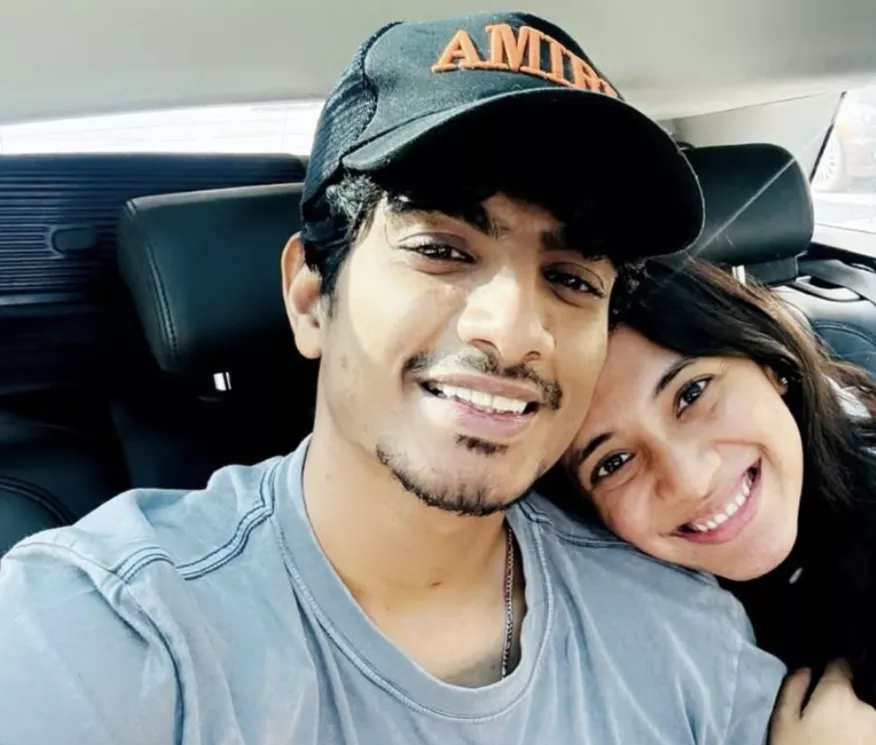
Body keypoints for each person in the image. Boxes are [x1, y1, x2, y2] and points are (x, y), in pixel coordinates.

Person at [0, 13, 811, 744]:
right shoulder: (108, 629)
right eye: (441, 249)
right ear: (311, 297)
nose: (514, 329)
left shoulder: (682, 629)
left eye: (570, 278)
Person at [558, 258, 876, 743]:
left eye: (693, 393)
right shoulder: (593, 597)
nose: (690, 481)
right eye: (613, 462)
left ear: (770, 360)